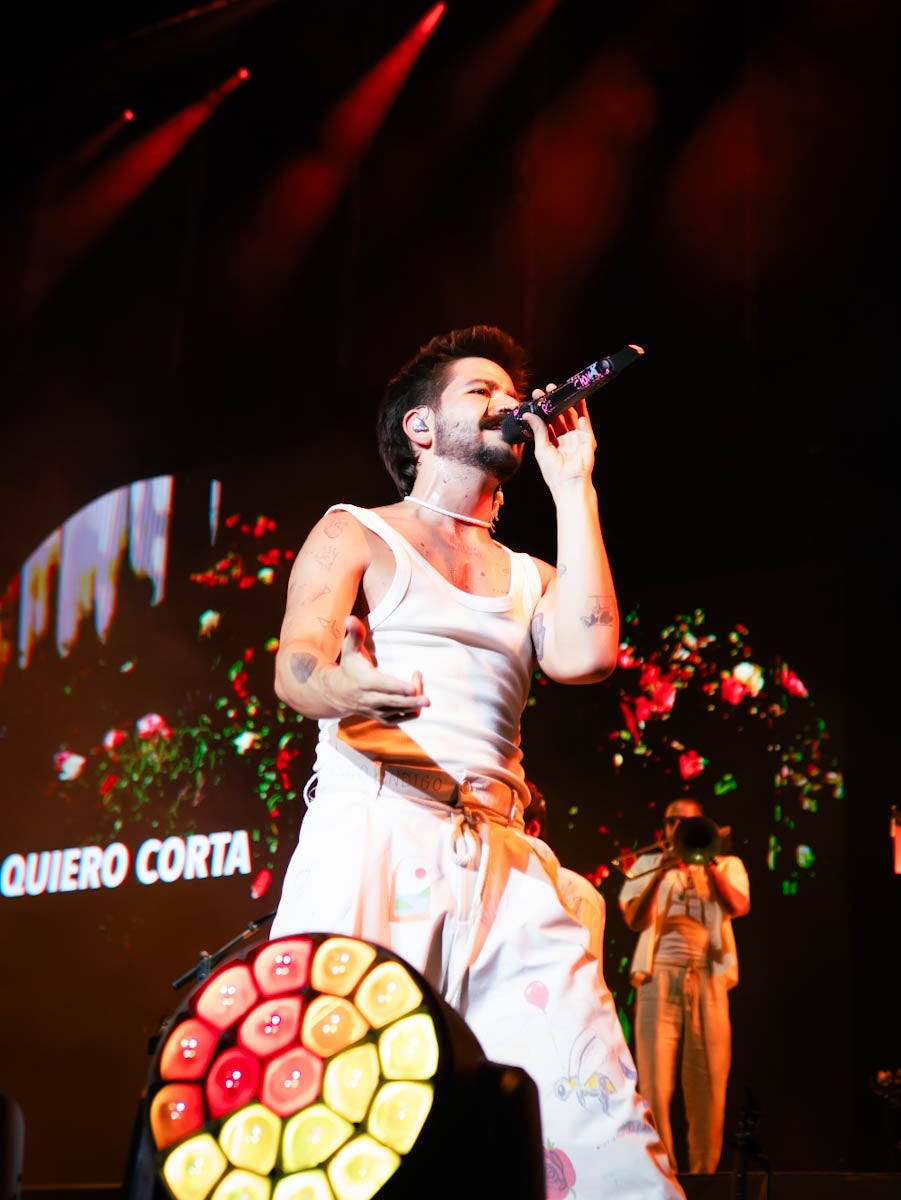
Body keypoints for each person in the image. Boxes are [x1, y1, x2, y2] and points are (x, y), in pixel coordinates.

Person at [270, 324, 684, 1198]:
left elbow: (586, 655)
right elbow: (297, 666)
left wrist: (573, 490)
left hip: (500, 859)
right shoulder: (357, 533)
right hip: (374, 835)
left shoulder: (530, 574)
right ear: (421, 429)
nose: (506, 402)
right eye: (478, 390)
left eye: (510, 391)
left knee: (596, 1117)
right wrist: (351, 686)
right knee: (333, 1118)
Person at [617, 796, 751, 1175]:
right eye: (673, 822)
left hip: (708, 977)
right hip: (658, 976)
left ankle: (705, 1176)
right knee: (655, 1084)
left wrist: (706, 864)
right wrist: (661, 871)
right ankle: (666, 1178)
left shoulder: (727, 864)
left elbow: (739, 905)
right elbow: (633, 919)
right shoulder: (647, 865)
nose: (679, 829)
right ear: (665, 827)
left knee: (709, 1081)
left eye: (688, 822)